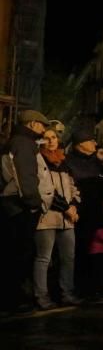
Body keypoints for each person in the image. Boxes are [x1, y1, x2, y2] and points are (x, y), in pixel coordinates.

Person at [1, 110, 50, 313]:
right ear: (32, 124)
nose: (44, 129)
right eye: (41, 124)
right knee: (19, 254)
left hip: (12, 202)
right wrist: (33, 202)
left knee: (13, 253)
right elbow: (25, 175)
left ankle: (11, 299)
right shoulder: (24, 143)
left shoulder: (15, 141)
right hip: (19, 205)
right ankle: (11, 301)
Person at [33, 128, 82, 309]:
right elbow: (45, 190)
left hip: (67, 217)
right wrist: (66, 207)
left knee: (68, 257)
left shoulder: (64, 162)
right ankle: (41, 296)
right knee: (44, 258)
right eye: (47, 138)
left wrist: (75, 204)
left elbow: (72, 186)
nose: (51, 141)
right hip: (47, 216)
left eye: (53, 137)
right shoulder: (39, 161)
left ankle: (67, 293)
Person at [65, 127, 103, 298]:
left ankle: (95, 287)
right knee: (80, 253)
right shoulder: (69, 162)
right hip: (80, 214)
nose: (94, 143)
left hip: (97, 212)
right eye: (90, 140)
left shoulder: (96, 163)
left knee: (97, 253)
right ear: (79, 144)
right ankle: (80, 287)